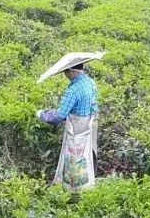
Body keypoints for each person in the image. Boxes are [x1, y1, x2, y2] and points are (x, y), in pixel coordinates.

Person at [36, 52, 103, 192]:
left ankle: (74, 191)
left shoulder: (73, 90)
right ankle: (88, 185)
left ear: (71, 71)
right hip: (91, 125)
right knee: (88, 155)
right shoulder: (91, 82)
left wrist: (42, 114)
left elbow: (59, 117)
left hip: (77, 128)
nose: (65, 76)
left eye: (66, 72)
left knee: (75, 159)